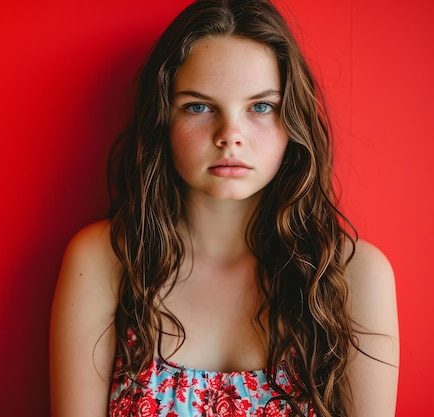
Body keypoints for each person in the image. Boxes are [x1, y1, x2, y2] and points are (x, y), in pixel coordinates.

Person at [49, 0, 399, 415]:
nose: (230, 135)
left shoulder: (352, 275)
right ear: (163, 118)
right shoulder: (107, 260)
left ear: (293, 120)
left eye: (261, 107)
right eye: (198, 106)